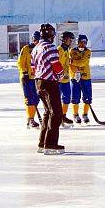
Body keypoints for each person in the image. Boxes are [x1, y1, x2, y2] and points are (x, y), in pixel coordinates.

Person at [31, 23, 65, 155]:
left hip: (38, 82)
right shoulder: (50, 47)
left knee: (47, 112)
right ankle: (50, 144)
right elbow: (56, 65)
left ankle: (42, 143)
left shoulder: (36, 47)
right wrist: (61, 76)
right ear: (51, 35)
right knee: (56, 113)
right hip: (50, 82)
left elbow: (32, 66)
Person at [17, 31, 41, 129]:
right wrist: (24, 72)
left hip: (36, 78)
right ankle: (31, 119)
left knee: (36, 98)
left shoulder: (40, 50)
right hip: (26, 78)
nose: (38, 42)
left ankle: (31, 118)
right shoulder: (26, 49)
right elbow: (20, 62)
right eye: (36, 40)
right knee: (29, 99)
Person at [69, 34, 93, 124]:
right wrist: (75, 73)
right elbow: (70, 64)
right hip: (75, 78)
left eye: (84, 42)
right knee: (75, 97)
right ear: (77, 42)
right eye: (81, 42)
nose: (83, 44)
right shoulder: (72, 51)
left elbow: (83, 62)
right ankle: (75, 115)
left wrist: (73, 62)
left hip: (86, 77)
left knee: (87, 97)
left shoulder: (88, 52)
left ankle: (85, 114)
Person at [58, 31, 75, 127]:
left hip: (66, 79)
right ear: (64, 40)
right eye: (70, 40)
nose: (71, 42)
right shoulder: (59, 50)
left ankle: (63, 115)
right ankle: (58, 116)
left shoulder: (67, 50)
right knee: (57, 99)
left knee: (67, 98)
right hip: (59, 79)